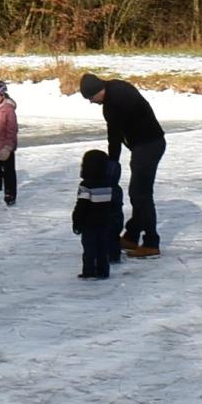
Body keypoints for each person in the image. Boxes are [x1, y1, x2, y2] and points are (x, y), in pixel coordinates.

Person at [77, 72, 166, 256]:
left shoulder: (114, 101)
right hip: (146, 144)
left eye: (91, 97)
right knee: (138, 193)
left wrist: (112, 163)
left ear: (98, 90)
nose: (91, 102)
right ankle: (132, 236)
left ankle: (151, 242)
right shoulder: (115, 89)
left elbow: (114, 136)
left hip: (148, 145)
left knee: (141, 194)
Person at [72, 149, 125, 279]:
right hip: (104, 222)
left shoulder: (86, 185)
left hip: (89, 224)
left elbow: (82, 205)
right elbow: (112, 205)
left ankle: (89, 271)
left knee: (90, 248)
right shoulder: (108, 185)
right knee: (102, 248)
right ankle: (103, 271)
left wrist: (76, 221)